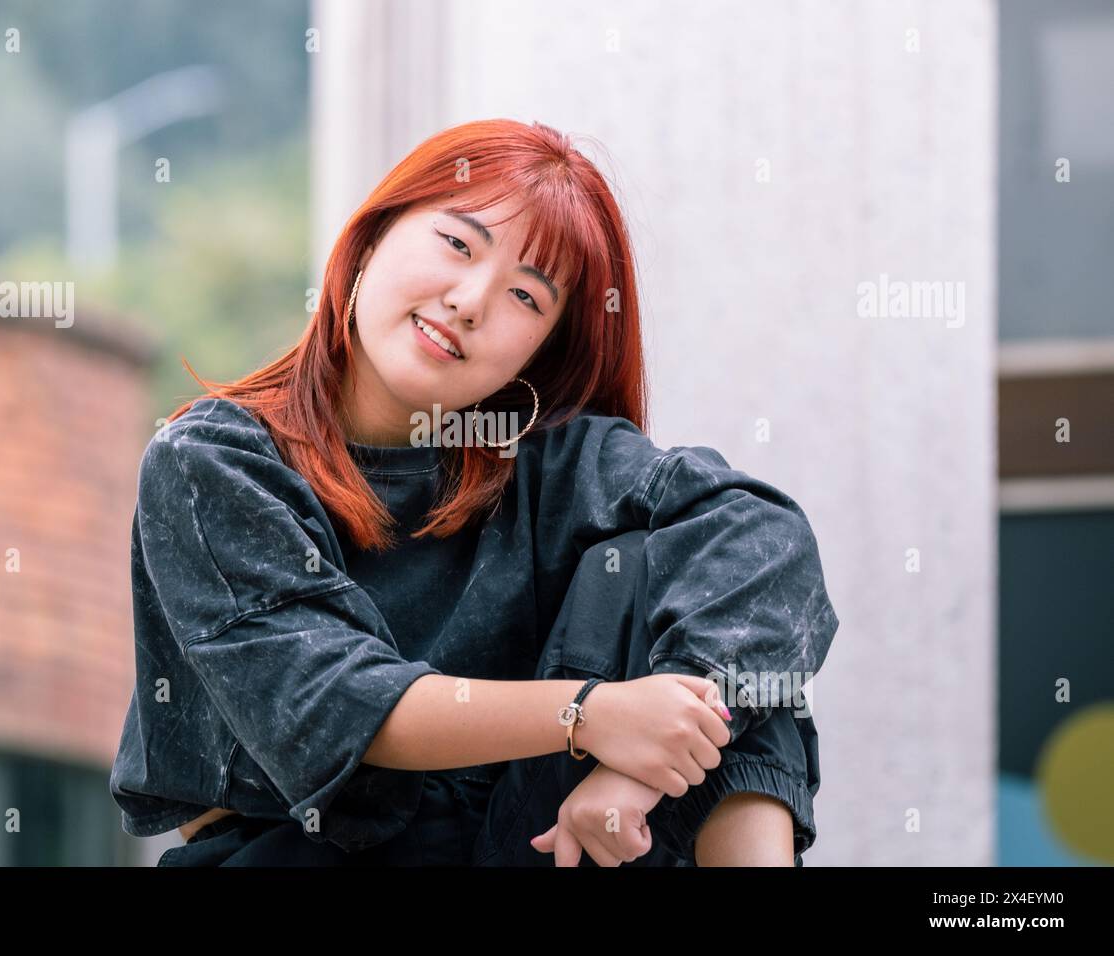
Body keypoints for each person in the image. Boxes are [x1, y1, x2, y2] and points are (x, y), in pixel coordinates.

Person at [109, 118, 840, 866]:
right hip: (303, 848)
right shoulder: (214, 460)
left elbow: (764, 538)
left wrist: (640, 762)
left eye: (526, 296)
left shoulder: (551, 463)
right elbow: (329, 704)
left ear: (540, 349)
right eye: (458, 245)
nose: (470, 301)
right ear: (373, 236)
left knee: (722, 641)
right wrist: (591, 716)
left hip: (522, 840)